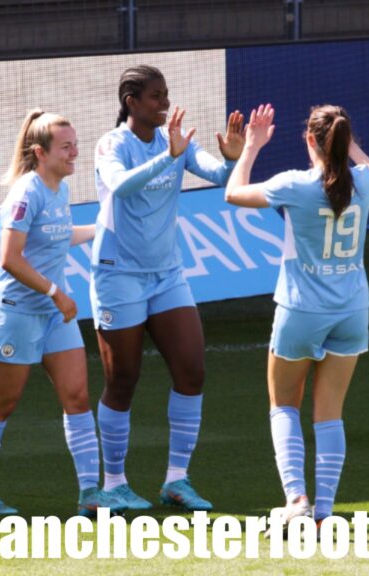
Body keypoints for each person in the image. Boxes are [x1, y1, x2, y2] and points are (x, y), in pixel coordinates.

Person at [224, 103, 369, 527]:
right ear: (344, 139)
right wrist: (354, 151)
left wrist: (251, 147)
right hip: (352, 310)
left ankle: (296, 499)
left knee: (283, 404)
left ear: (310, 140)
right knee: (330, 412)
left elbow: (233, 193)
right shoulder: (365, 183)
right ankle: (324, 511)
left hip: (301, 309)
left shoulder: (295, 185)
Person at [0, 110, 126, 517]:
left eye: (75, 144)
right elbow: (10, 258)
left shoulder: (59, 190)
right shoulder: (25, 193)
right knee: (1, 404)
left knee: (77, 397)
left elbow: (59, 236)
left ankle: (90, 495)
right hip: (15, 312)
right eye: (66, 147)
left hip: (52, 314)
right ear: (40, 152)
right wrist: (55, 292)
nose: (75, 153)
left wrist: (105, 229)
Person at [90, 65, 245, 512]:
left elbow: (219, 178)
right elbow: (119, 186)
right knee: (123, 379)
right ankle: (114, 483)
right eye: (156, 96)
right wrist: (168, 156)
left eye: (166, 95)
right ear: (131, 102)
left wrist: (234, 157)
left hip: (166, 273)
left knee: (192, 370)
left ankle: (177, 480)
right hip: (118, 273)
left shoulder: (172, 139)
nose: (164, 103)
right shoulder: (112, 144)